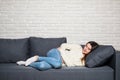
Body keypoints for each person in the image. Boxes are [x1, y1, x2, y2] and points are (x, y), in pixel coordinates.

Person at [16, 41, 99, 70]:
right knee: (58, 64)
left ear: (91, 52)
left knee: (42, 66)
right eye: (86, 46)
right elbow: (64, 45)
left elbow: (69, 64)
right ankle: (37, 57)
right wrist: (60, 49)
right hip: (55, 52)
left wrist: (64, 61)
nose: (85, 49)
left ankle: (27, 63)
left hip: (56, 62)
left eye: (88, 49)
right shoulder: (78, 47)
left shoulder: (83, 62)